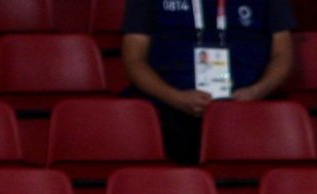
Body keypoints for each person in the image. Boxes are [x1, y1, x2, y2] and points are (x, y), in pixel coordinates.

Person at [121, 0, 297, 166]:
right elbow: (134, 60)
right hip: (170, 106)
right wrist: (176, 98)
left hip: (248, 105)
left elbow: (283, 55)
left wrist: (256, 91)